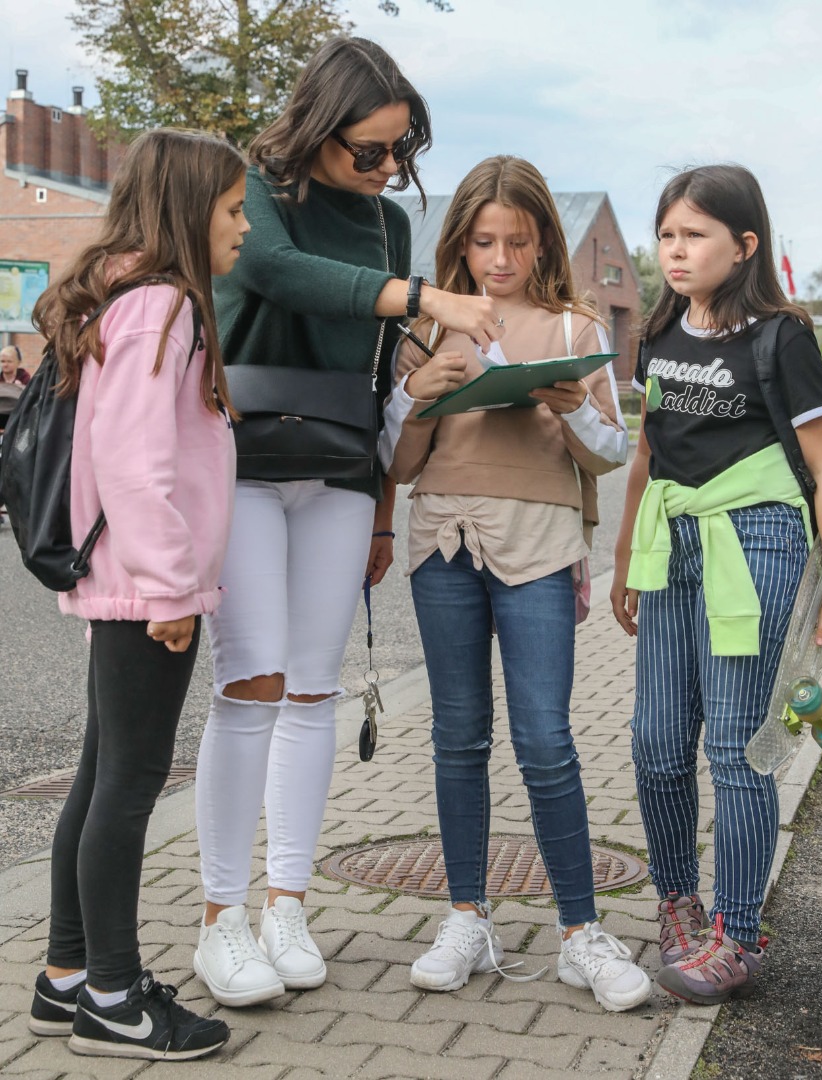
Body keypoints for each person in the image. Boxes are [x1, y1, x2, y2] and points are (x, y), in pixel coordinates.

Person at [192, 37, 503, 1009]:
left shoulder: (384, 224)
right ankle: (219, 916)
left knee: (315, 691)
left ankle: (287, 898)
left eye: (397, 153)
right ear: (321, 125)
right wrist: (425, 298)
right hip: (242, 458)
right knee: (252, 684)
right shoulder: (257, 191)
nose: (383, 170)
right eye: (367, 151)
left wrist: (381, 500)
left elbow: (376, 369)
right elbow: (279, 274)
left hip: (336, 464)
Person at [380, 155, 652, 1013]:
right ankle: (467, 916)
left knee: (545, 741)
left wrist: (569, 405)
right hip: (443, 542)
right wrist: (416, 396)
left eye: (518, 242)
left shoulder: (574, 329)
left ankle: (580, 932)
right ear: (460, 240)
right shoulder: (427, 330)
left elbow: (610, 455)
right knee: (458, 738)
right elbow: (396, 460)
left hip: (537, 547)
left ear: (544, 244)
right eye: (483, 241)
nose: (499, 259)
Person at [610, 164, 822, 1005]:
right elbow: (647, 453)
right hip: (670, 545)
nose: (675, 252)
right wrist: (622, 563)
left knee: (735, 750)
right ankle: (678, 905)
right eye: (666, 235)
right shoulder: (659, 329)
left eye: (694, 235)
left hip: (755, 542)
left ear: (743, 244)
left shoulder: (780, 337)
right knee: (653, 741)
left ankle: (738, 935)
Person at [25, 127, 248, 1060]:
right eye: (233, 211)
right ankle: (115, 997)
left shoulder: (123, 294)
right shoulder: (164, 304)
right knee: (128, 782)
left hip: (119, 578)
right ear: (189, 211)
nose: (242, 228)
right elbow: (135, 463)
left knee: (101, 771)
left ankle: (68, 974)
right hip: (145, 586)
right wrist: (170, 586)